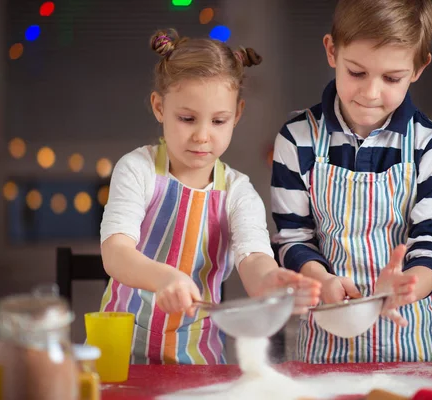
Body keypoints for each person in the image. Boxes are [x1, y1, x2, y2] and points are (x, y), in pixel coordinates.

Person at [97, 29, 321, 365]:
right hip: (120, 354)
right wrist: (166, 278)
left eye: (219, 121)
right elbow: (115, 253)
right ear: (159, 107)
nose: (203, 136)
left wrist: (271, 280)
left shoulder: (238, 193)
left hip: (198, 360)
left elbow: (252, 259)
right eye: (187, 118)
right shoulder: (137, 169)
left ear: (238, 115)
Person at [271, 0, 432, 363]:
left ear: (418, 68)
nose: (371, 93)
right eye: (356, 72)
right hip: (327, 339)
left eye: (391, 78)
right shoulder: (296, 140)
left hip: (413, 337)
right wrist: (321, 280)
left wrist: (406, 286)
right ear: (332, 50)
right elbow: (292, 237)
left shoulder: (431, 148)